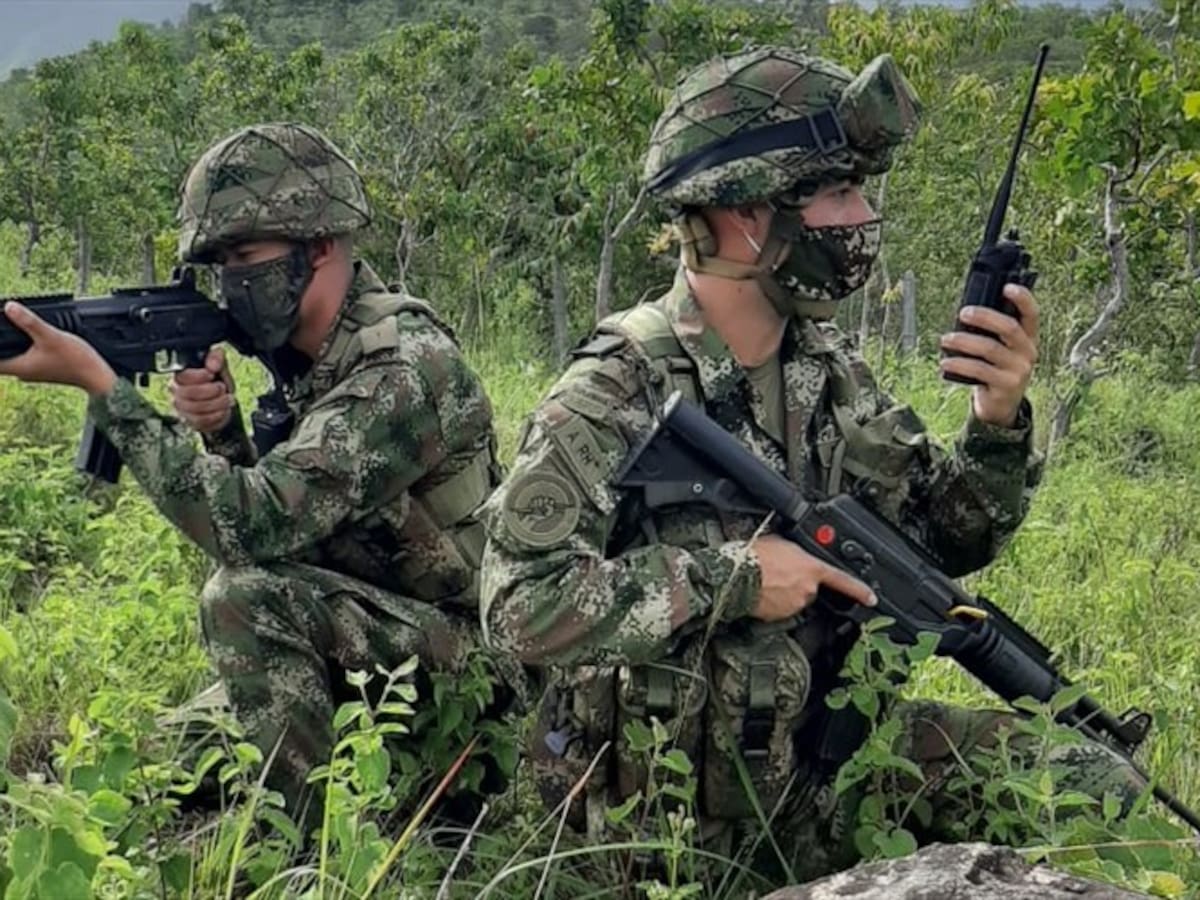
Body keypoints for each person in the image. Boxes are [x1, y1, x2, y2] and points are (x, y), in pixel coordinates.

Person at [480, 48, 1143, 879]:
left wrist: (996, 419)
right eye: (837, 191)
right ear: (746, 210)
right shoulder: (614, 387)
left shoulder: (829, 373)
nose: (860, 216)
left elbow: (942, 543)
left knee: (1090, 777)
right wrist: (738, 576)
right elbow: (516, 607)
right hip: (654, 831)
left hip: (815, 776)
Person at [0, 123, 514, 820]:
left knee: (239, 600)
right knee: (153, 769)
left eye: (245, 256)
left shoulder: (401, 371)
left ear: (320, 244)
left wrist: (103, 389)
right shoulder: (311, 355)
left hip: (470, 669)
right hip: (367, 624)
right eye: (218, 264)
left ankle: (313, 852)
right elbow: (297, 523)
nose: (231, 283)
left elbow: (248, 526)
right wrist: (224, 434)